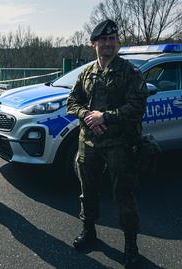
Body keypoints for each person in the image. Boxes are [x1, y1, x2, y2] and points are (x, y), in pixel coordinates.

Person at [66, 19, 148, 268]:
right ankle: (89, 231)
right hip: (88, 142)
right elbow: (72, 101)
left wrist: (106, 117)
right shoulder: (86, 72)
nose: (108, 43)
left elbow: (137, 107)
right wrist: (88, 117)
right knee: (87, 191)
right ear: (94, 44)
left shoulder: (130, 72)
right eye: (103, 40)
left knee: (123, 194)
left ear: (117, 42)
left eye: (112, 39)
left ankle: (130, 244)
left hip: (119, 144)